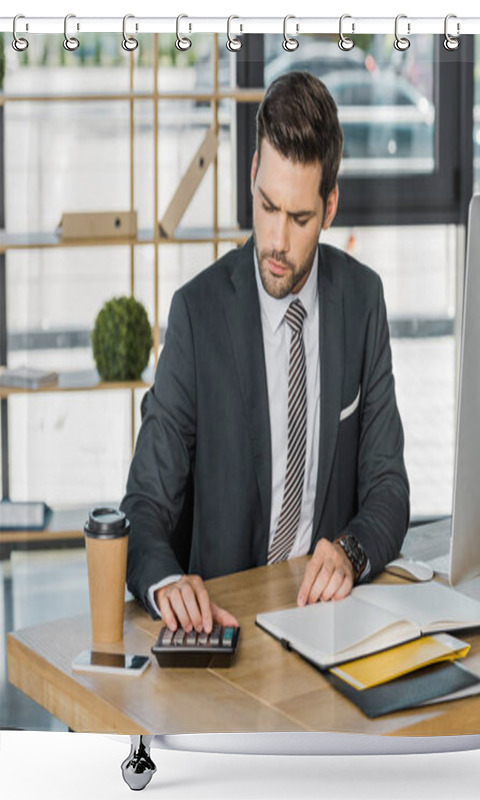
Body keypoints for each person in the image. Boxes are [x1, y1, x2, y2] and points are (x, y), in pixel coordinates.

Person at [123, 72, 410, 634]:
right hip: (227, 628)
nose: (276, 241)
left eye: (299, 219)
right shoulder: (196, 316)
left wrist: (350, 552)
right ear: (253, 175)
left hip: (327, 623)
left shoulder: (362, 300)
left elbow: (388, 486)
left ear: (329, 207)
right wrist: (166, 585)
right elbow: (144, 504)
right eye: (267, 205)